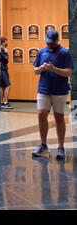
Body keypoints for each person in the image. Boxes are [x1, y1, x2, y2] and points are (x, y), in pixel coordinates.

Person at [32, 29, 73, 160]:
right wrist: (41, 68)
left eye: (51, 43)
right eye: (47, 42)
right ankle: (43, 145)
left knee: (59, 117)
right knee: (41, 115)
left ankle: (61, 148)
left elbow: (68, 72)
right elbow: (35, 70)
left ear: (57, 40)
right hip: (43, 89)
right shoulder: (42, 52)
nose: (49, 45)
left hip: (60, 91)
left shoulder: (65, 53)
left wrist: (54, 69)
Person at [0, 37, 13, 110]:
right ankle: (5, 102)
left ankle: (1, 102)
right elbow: (5, 60)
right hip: (2, 69)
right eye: (6, 42)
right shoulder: (1, 50)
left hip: (2, 69)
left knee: (2, 86)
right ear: (3, 42)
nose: (7, 43)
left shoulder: (1, 49)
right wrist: (6, 52)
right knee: (8, 85)